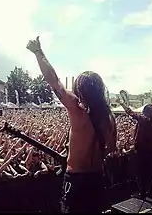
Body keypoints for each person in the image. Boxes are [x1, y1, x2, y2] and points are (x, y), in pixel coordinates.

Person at [27, 37, 116, 213]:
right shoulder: (109, 117)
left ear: (80, 90)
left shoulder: (78, 111)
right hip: (97, 178)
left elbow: (55, 83)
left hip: (77, 180)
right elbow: (112, 148)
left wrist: (39, 52)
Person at [118, 100, 152, 199]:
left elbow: (130, 112)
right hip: (150, 151)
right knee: (149, 172)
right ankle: (148, 191)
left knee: (140, 173)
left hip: (141, 151)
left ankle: (142, 193)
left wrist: (122, 103)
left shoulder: (142, 120)